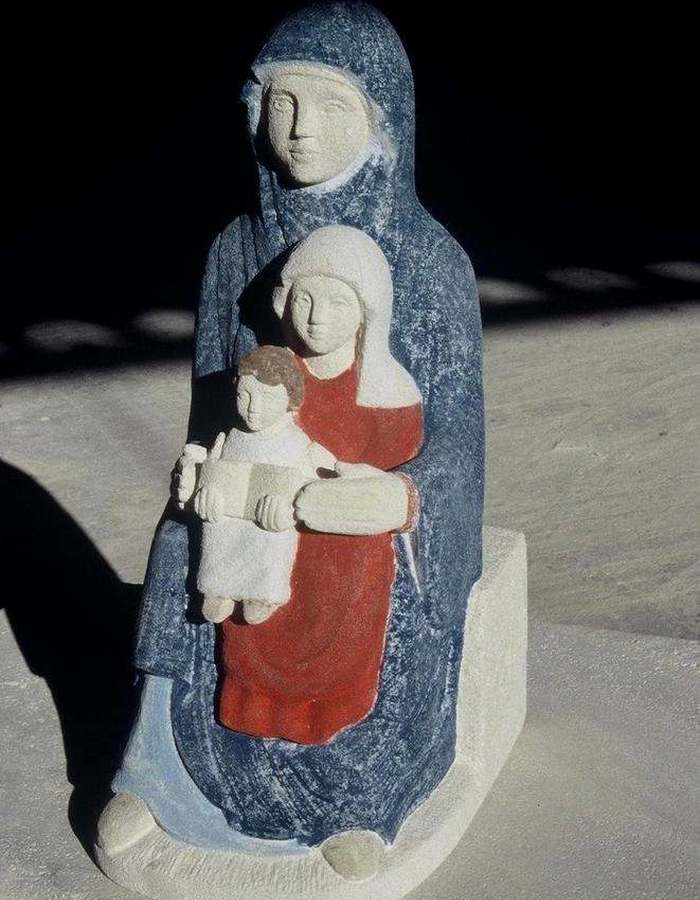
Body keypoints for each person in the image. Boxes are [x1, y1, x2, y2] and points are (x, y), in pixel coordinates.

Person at [98, 2, 484, 876]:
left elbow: (459, 437)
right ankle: (162, 774)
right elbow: (211, 405)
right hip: (253, 488)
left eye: (329, 106)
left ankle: (358, 795)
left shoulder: (429, 262)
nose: (300, 128)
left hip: (360, 502)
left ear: (382, 118)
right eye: (281, 102)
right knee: (181, 545)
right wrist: (200, 469)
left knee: (364, 593)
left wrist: (402, 494)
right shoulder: (235, 250)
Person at [178, 345, 335, 627]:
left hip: (269, 524)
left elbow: (321, 482)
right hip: (226, 517)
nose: (253, 408)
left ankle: (262, 593)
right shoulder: (230, 437)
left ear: (289, 398)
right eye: (244, 395)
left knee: (270, 534)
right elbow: (207, 467)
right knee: (218, 530)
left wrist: (290, 508)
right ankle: (218, 587)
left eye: (267, 397)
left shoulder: (296, 443)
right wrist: (202, 488)